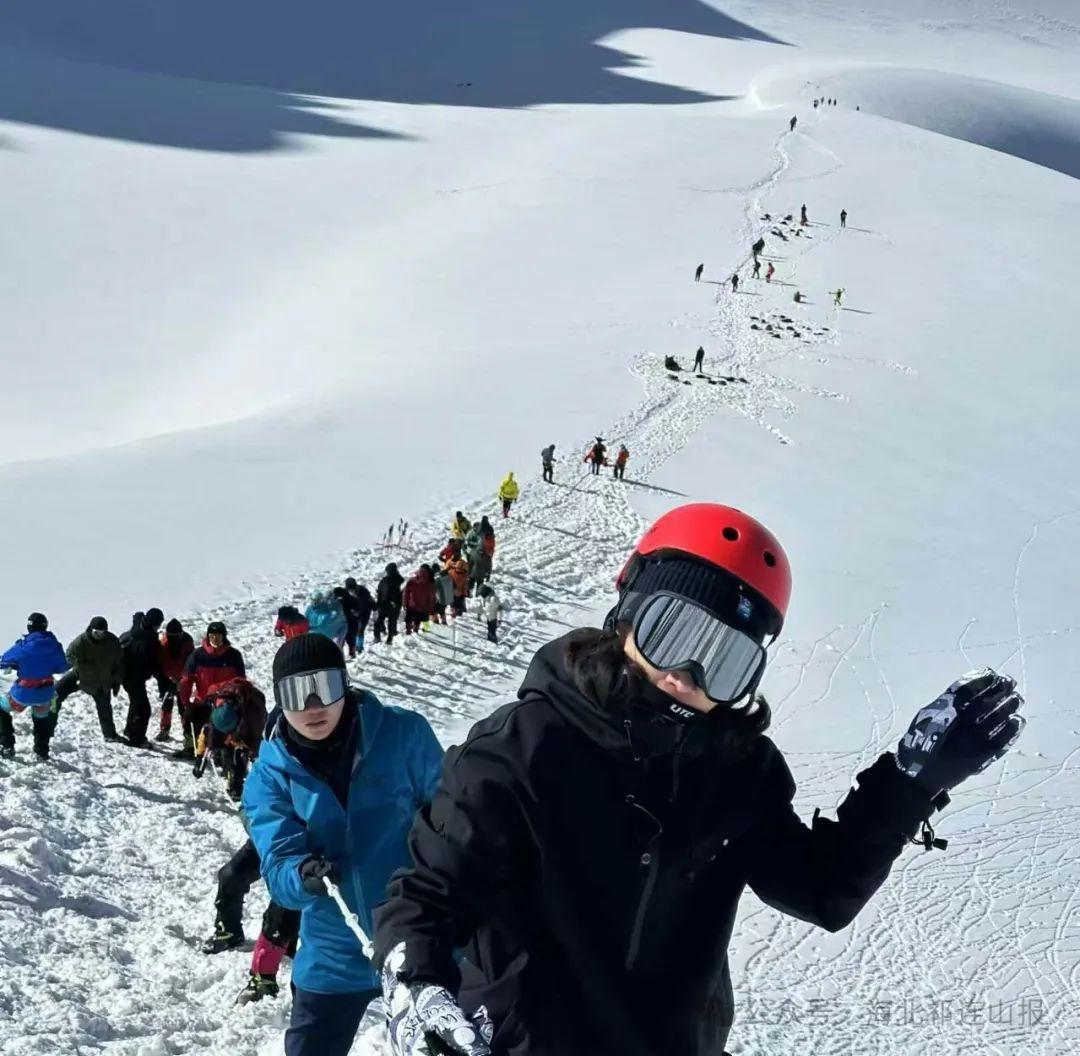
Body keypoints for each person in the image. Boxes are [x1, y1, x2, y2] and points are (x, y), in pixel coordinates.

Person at [373, 503, 1026, 1056]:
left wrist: (909, 782)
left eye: (726, 658)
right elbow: (425, 899)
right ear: (626, 612)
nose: (686, 673)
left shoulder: (739, 775)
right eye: (673, 631)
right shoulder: (521, 750)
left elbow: (822, 890)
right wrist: (418, 990)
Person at [243, 634, 444, 1056]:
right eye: (298, 692)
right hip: (335, 953)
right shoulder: (269, 777)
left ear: (346, 684)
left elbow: (453, 813)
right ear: (280, 699)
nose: (314, 705)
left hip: (423, 937)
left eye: (326, 686)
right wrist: (303, 876)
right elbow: (278, 865)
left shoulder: (403, 734)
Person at [0, 613, 68, 761]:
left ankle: (7, 746)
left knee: (2, 709)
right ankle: (41, 751)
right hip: (45, 693)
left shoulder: (23, 646)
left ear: (29, 626)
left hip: (23, 693)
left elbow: (4, 660)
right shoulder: (55, 645)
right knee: (41, 719)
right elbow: (62, 667)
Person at [177, 622, 245, 759]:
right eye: (212, 636)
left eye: (218, 636)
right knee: (189, 717)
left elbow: (241, 681)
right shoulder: (197, 655)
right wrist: (185, 701)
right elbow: (186, 679)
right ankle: (191, 747)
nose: (215, 639)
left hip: (224, 703)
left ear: (224, 637)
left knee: (229, 723)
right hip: (203, 700)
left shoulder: (233, 656)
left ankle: (224, 751)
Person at [55, 616, 123, 743]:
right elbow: (69, 655)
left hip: (102, 681)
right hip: (81, 676)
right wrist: (81, 666)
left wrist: (116, 680)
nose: (99, 635)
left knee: (105, 710)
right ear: (91, 630)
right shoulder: (81, 641)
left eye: (103, 632)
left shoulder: (112, 641)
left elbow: (118, 663)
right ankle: (48, 724)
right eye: (96, 632)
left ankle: (109, 735)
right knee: (56, 692)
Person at [119, 608, 165, 747]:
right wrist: (164, 681)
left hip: (125, 674)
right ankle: (137, 739)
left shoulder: (137, 625)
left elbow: (137, 614)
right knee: (143, 708)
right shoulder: (147, 643)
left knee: (136, 703)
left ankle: (130, 730)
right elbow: (154, 665)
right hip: (134, 677)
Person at [155, 618, 195, 742]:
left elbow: (191, 662)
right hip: (167, 679)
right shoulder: (164, 643)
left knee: (183, 705)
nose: (173, 637)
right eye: (171, 635)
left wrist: (185, 678)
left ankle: (187, 730)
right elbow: (160, 662)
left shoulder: (187, 642)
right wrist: (164, 679)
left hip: (183, 679)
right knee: (167, 704)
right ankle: (164, 729)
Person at [374, 563, 405, 645]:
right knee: (392, 621)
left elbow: (379, 591)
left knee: (379, 620)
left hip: (384, 604)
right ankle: (389, 638)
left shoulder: (384, 580)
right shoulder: (398, 579)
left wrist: (378, 602)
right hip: (394, 604)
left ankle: (377, 636)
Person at [403, 566, 437, 636]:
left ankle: (408, 632)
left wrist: (405, 603)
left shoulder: (412, 581)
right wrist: (431, 607)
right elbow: (432, 597)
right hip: (424, 607)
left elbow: (406, 594)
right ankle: (424, 631)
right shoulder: (431, 582)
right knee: (423, 620)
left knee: (409, 618)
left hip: (411, 605)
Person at [344, 578, 374, 655]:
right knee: (352, 631)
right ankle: (353, 647)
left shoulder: (364, 591)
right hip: (352, 615)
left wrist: (375, 608)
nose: (351, 591)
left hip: (364, 613)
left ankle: (359, 647)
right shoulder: (345, 594)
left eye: (352, 589)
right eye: (350, 590)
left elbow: (370, 601)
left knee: (360, 630)